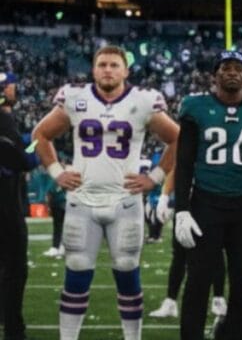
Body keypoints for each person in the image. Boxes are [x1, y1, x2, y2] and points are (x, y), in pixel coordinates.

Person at [33, 46, 179, 340]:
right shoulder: (75, 99)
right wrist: (56, 172)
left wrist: (155, 177)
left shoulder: (144, 101)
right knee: (75, 273)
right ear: (93, 69)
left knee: (127, 272)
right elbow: (40, 134)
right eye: (102, 64)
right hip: (82, 201)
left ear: (126, 71)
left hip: (125, 202)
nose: (108, 69)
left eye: (114, 65)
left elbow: (178, 139)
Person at [174, 50, 242, 340]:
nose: (232, 72)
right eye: (226, 68)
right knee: (198, 279)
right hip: (205, 203)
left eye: (238, 68)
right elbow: (183, 162)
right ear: (215, 75)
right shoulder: (196, 107)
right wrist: (181, 208)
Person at [148, 170, 227, 325]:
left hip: (210, 202)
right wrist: (164, 196)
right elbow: (176, 168)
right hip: (185, 204)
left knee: (216, 251)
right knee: (179, 254)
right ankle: (170, 302)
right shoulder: (188, 146)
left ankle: (218, 299)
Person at [0, 72, 31, 340]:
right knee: (15, 267)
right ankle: (13, 328)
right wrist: (36, 149)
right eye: (11, 85)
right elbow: (19, 159)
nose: (15, 89)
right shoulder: (4, 119)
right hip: (5, 205)